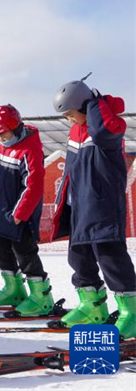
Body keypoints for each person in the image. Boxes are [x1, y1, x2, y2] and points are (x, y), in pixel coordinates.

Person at [48, 75, 135, 339]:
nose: (69, 120)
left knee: (111, 259)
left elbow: (102, 130)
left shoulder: (107, 129)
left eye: (72, 113)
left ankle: (131, 312)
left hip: (102, 206)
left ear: (86, 108)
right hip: (80, 206)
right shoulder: (76, 130)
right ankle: (91, 307)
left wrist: (95, 104)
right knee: (79, 257)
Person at [0, 105, 55, 317]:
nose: (1, 139)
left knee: (25, 253)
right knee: (0, 247)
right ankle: (14, 289)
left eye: (3, 134)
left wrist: (20, 214)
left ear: (15, 127)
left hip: (20, 215)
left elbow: (34, 186)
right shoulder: (3, 146)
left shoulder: (29, 149)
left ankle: (41, 296)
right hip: (2, 211)